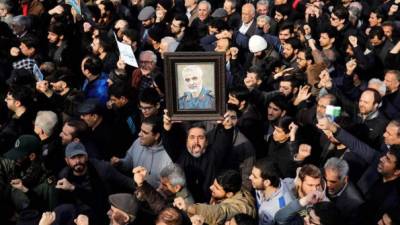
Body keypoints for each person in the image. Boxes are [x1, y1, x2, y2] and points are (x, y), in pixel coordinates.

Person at [173, 170, 256, 225]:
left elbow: (218, 212)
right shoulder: (233, 190)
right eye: (214, 184)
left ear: (229, 194)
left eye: (217, 188)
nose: (211, 187)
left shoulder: (240, 208)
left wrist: (189, 208)